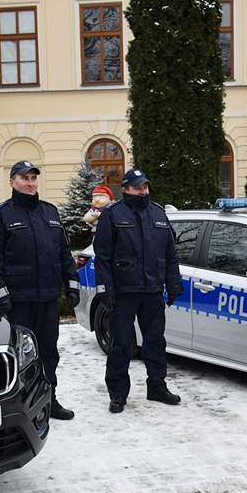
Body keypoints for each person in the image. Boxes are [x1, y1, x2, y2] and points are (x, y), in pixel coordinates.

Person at [0, 160, 80, 420]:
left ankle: (49, 400)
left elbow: (63, 253)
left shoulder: (50, 212)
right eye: (24, 178)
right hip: (19, 301)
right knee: (21, 355)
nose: (30, 183)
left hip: (47, 298)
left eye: (33, 178)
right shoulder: (0, 215)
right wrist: (0, 293)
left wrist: (71, 284)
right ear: (12, 181)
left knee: (49, 352)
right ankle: (22, 408)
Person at [93, 168, 183, 413]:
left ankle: (157, 387)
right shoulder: (112, 215)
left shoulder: (158, 213)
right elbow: (102, 257)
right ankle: (118, 394)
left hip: (152, 291)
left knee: (155, 342)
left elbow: (170, 254)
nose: (143, 191)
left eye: (145, 186)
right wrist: (105, 290)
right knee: (120, 345)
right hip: (123, 294)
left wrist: (173, 284)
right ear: (125, 189)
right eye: (137, 187)